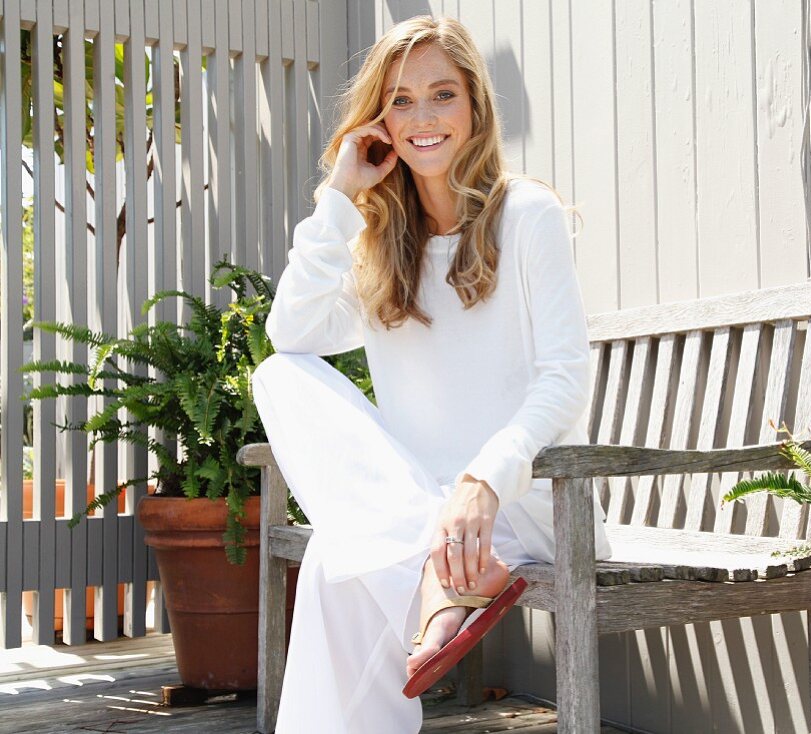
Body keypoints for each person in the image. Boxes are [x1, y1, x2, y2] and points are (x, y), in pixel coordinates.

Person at [250, 15, 613, 734]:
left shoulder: (526, 216)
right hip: (417, 513)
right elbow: (290, 335)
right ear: (379, 120)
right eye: (402, 100)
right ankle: (434, 576)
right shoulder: (383, 245)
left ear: (474, 105)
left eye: (441, 94)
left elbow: (566, 378)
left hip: (525, 506)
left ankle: (434, 571)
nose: (423, 118)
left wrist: (481, 481)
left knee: (338, 563)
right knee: (281, 378)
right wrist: (340, 193)